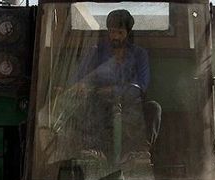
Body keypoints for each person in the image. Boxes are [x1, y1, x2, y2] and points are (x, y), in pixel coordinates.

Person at [69, 9, 162, 160]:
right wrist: (80, 86)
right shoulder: (96, 52)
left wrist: (115, 90)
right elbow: (78, 79)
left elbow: (142, 85)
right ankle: (93, 151)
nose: (115, 37)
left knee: (154, 108)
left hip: (131, 106)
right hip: (100, 104)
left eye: (119, 32)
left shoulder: (139, 54)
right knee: (87, 108)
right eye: (112, 32)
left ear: (128, 32)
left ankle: (139, 153)